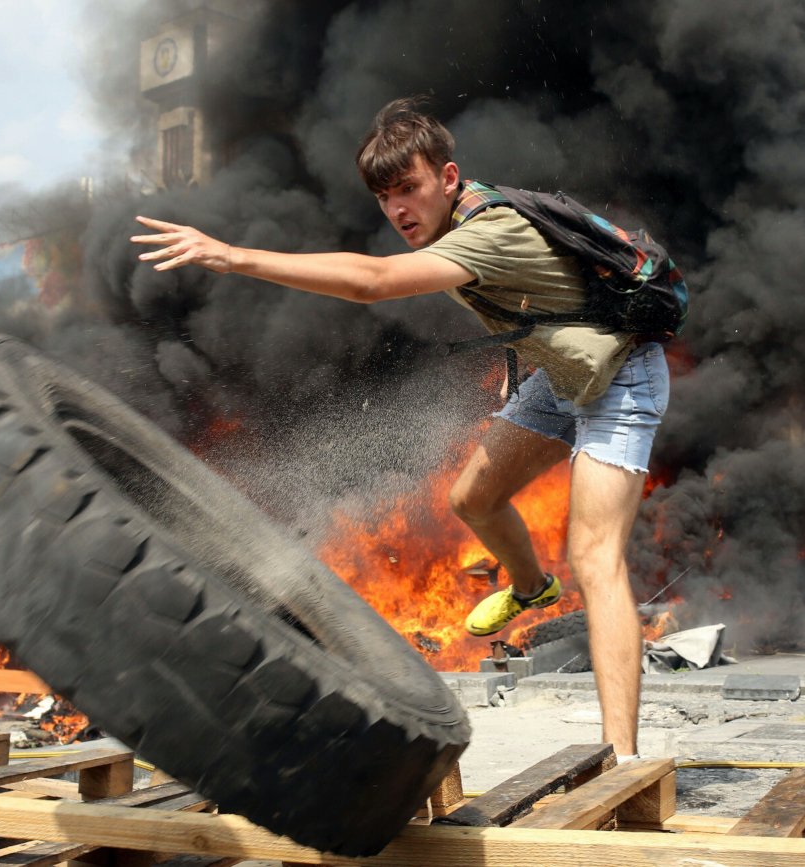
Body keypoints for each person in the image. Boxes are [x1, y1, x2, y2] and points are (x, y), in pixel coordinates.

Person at [131, 97, 671, 756]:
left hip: (620, 377)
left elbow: (374, 281)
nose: (397, 210)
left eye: (409, 188)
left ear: (448, 178)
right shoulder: (451, 225)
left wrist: (231, 257)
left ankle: (624, 758)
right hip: (560, 377)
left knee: (596, 557)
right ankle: (532, 587)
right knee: (472, 498)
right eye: (384, 197)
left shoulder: (487, 231)